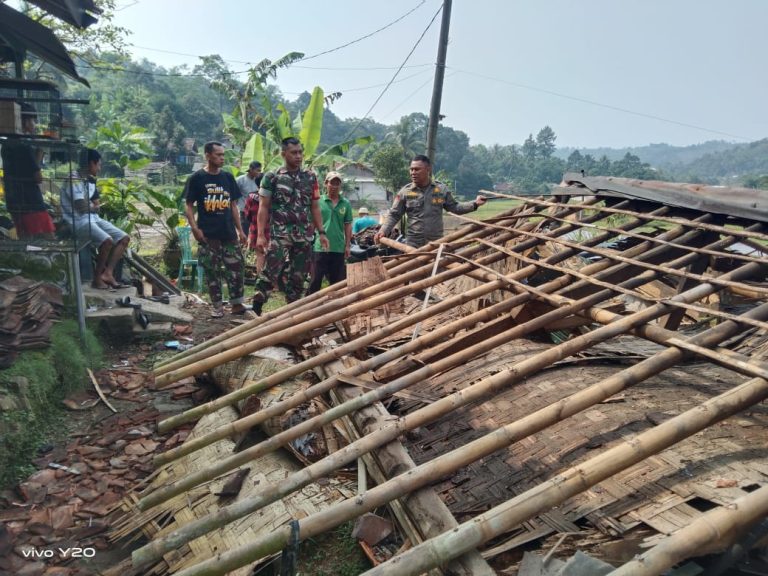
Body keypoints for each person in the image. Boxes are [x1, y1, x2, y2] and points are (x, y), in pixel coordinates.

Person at [252, 137, 328, 315]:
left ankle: (292, 312)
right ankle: (257, 306)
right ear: (283, 153)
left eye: (300, 152)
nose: (299, 156)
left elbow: (315, 206)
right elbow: (263, 208)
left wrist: (322, 232)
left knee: (298, 276)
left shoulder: (310, 177)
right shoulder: (272, 177)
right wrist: (261, 235)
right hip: (280, 234)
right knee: (270, 270)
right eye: (294, 153)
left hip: (304, 235)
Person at [183, 141, 248, 317]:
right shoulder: (197, 178)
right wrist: (195, 228)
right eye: (218, 155)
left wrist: (240, 230)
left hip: (228, 232)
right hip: (208, 234)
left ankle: (236, 304)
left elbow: (233, 206)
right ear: (208, 155)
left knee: (236, 267)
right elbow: (189, 205)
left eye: (223, 155)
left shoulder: (227, 177)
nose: (222, 158)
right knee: (213, 271)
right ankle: (217, 306)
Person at [374, 154, 487, 248]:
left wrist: (474, 204)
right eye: (411, 169)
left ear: (428, 169)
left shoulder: (441, 190)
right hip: (413, 244)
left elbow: (455, 208)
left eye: (417, 169)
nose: (413, 172)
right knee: (414, 272)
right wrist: (383, 230)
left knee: (437, 273)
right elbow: (394, 214)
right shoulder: (405, 192)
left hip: (436, 243)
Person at [60, 148, 130, 289]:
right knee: (107, 241)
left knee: (124, 238)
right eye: (99, 164)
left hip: (93, 219)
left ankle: (108, 274)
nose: (99, 168)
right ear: (92, 163)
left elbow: (92, 205)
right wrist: (92, 206)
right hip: (78, 222)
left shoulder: (88, 180)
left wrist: (91, 206)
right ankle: (96, 279)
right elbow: (81, 207)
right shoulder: (73, 178)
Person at [0, 103, 55, 239]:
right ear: (24, 121)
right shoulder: (25, 146)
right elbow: (38, 177)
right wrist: (41, 150)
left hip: (14, 201)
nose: (34, 124)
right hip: (31, 202)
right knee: (48, 238)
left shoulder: (7, 145)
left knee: (26, 240)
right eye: (33, 120)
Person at [307, 171, 352, 294]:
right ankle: (309, 308)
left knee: (337, 283)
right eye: (332, 183)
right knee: (315, 280)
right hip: (320, 247)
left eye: (337, 183)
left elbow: (348, 225)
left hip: (338, 247)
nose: (335, 186)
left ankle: (337, 309)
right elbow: (311, 223)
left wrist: (348, 245)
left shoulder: (346, 204)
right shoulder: (318, 201)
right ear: (326, 183)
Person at [236, 160, 261, 236]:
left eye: (260, 171)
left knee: (255, 232)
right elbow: (234, 194)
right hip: (244, 211)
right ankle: (243, 245)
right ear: (251, 169)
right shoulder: (240, 180)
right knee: (244, 231)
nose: (259, 173)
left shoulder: (259, 180)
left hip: (256, 211)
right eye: (257, 170)